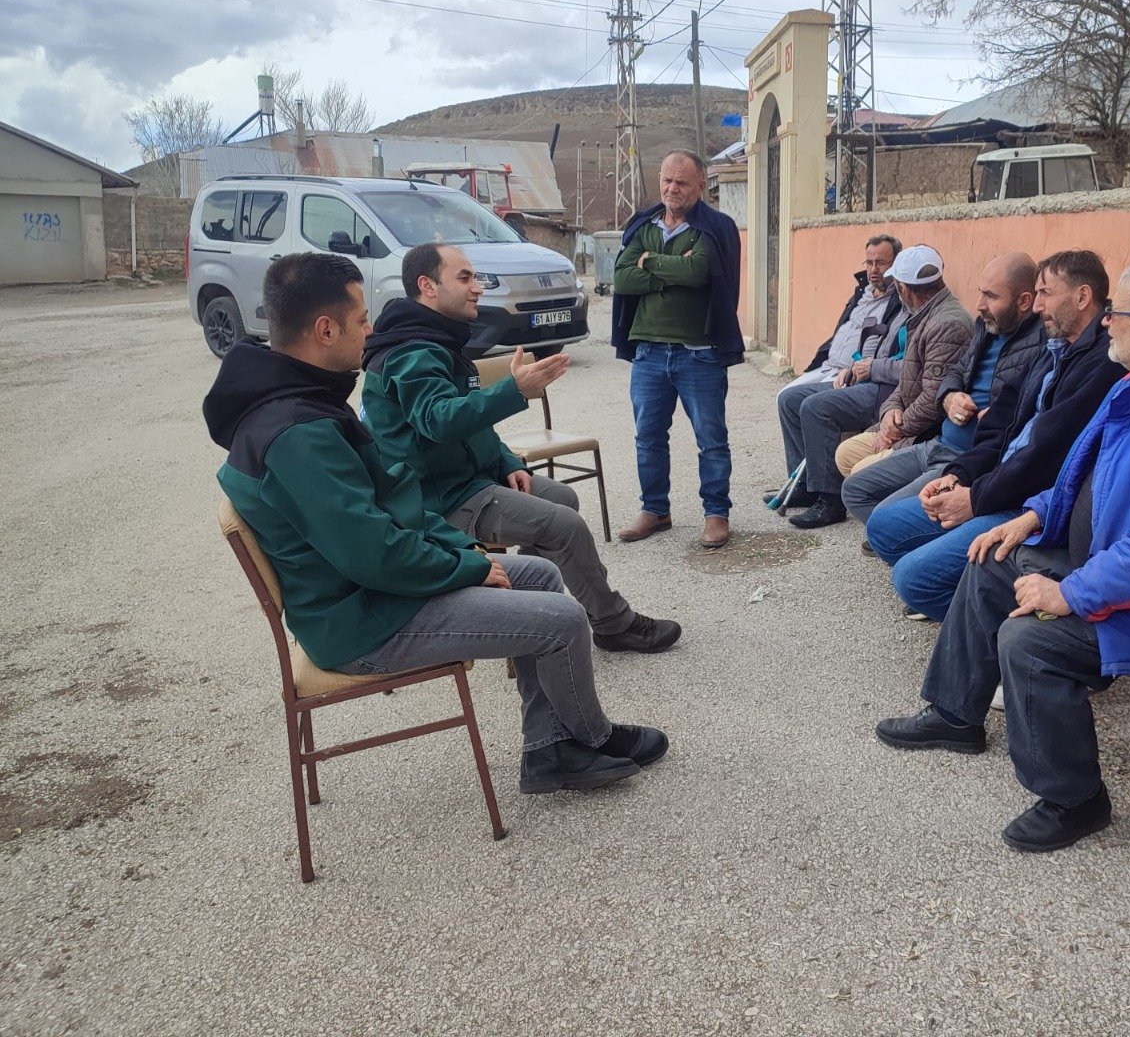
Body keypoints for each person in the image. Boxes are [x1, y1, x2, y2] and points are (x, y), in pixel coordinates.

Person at [204, 253, 666, 794]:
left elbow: (394, 501)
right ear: (324, 330)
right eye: (359, 320)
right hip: (362, 621)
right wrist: (463, 565)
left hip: (372, 591)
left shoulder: (305, 398)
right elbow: (372, 553)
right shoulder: (294, 432)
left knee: (539, 578)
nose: (370, 330)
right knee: (562, 618)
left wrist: (462, 553)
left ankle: (551, 747)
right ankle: (587, 739)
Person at [876, 258, 1130, 853]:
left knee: (1033, 641)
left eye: (1120, 313)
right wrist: (1033, 516)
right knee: (989, 563)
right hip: (1112, 566)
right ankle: (956, 717)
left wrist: (1069, 593)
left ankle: (1074, 800)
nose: (1108, 321)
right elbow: (1080, 477)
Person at [361, 242, 681, 655]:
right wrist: (514, 390)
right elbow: (440, 421)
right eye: (465, 278)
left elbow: (470, 426)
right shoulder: (411, 352)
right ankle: (612, 623)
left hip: (465, 480)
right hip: (435, 499)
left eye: (474, 276)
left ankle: (523, 605)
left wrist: (507, 462)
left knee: (562, 497)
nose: (477, 287)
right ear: (427, 286)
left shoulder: (434, 338)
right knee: (564, 527)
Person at [860, 250, 1125, 622]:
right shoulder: (1053, 347)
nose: (1038, 306)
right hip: (993, 481)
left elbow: (1044, 458)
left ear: (1082, 298)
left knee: (913, 580)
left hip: (1028, 505)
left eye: (1046, 293)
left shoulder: (1102, 362)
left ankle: (1003, 613)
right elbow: (999, 423)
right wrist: (959, 475)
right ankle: (963, 579)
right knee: (883, 527)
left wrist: (975, 500)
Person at [840, 251, 1043, 525]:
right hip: (938, 443)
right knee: (854, 489)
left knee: (883, 519)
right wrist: (949, 396)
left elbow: (1034, 415)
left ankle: (904, 534)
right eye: (980, 293)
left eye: (991, 296)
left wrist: (896, 430)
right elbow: (954, 371)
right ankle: (901, 533)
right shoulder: (985, 326)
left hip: (968, 459)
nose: (979, 304)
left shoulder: (1040, 344)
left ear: (1024, 301)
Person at [611, 150, 743, 550]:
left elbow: (699, 271)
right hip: (649, 352)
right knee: (648, 436)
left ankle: (716, 514)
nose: (672, 189)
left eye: (682, 182)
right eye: (667, 180)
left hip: (699, 352)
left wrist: (648, 264)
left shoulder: (715, 227)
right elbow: (621, 277)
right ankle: (655, 510)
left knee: (711, 438)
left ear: (701, 185)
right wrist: (665, 270)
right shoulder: (642, 226)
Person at [791, 245, 972, 529]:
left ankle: (892, 525)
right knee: (845, 454)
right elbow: (907, 379)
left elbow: (934, 398)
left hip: (923, 433)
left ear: (905, 289)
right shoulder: (924, 315)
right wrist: (889, 413)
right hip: (900, 417)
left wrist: (895, 430)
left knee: (857, 475)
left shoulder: (947, 323)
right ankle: (840, 497)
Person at [769, 235, 904, 507]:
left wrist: (861, 367)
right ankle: (805, 484)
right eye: (869, 262)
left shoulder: (901, 303)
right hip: (831, 367)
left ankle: (829, 497)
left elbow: (891, 357)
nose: (873, 269)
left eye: (881, 263)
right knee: (786, 399)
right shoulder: (861, 293)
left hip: (864, 378)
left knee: (812, 406)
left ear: (897, 265)